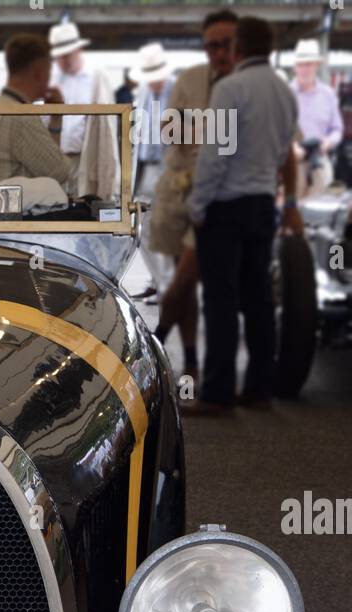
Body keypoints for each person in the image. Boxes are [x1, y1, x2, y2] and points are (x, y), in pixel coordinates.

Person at [187, 16, 297, 414]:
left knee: (220, 300)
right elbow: (285, 151)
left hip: (225, 206)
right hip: (262, 202)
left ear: (237, 48)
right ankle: (259, 389)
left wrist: (197, 206)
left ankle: (217, 392)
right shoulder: (285, 92)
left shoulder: (230, 88)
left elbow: (215, 157)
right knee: (258, 299)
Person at [150, 8, 239, 384]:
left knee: (186, 278)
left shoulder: (246, 83)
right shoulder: (191, 78)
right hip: (179, 189)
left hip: (219, 197)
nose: (218, 52)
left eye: (226, 44)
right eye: (211, 45)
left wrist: (198, 131)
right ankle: (191, 362)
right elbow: (170, 129)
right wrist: (193, 131)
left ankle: (156, 344)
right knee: (186, 283)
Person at [0, 33, 69, 189]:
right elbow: (59, 172)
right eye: (48, 71)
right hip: (17, 211)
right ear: (39, 72)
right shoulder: (21, 116)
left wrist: (55, 118)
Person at [47, 20, 119, 201]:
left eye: (67, 54)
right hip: (54, 159)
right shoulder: (51, 78)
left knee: (86, 204)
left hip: (85, 156)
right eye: (59, 56)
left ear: (78, 50)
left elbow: (106, 127)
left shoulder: (97, 76)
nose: (63, 60)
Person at [130, 43, 176, 302]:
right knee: (142, 229)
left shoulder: (179, 90)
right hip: (146, 169)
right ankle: (160, 282)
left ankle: (169, 286)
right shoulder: (144, 92)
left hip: (169, 168)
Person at [290, 39, 342, 195]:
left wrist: (329, 142)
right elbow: (275, 130)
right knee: (291, 212)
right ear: (295, 67)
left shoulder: (328, 94)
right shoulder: (285, 94)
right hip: (292, 165)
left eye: (308, 64)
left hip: (319, 162)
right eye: (300, 65)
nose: (304, 69)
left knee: (322, 212)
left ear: (316, 65)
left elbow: (337, 129)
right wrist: (291, 147)